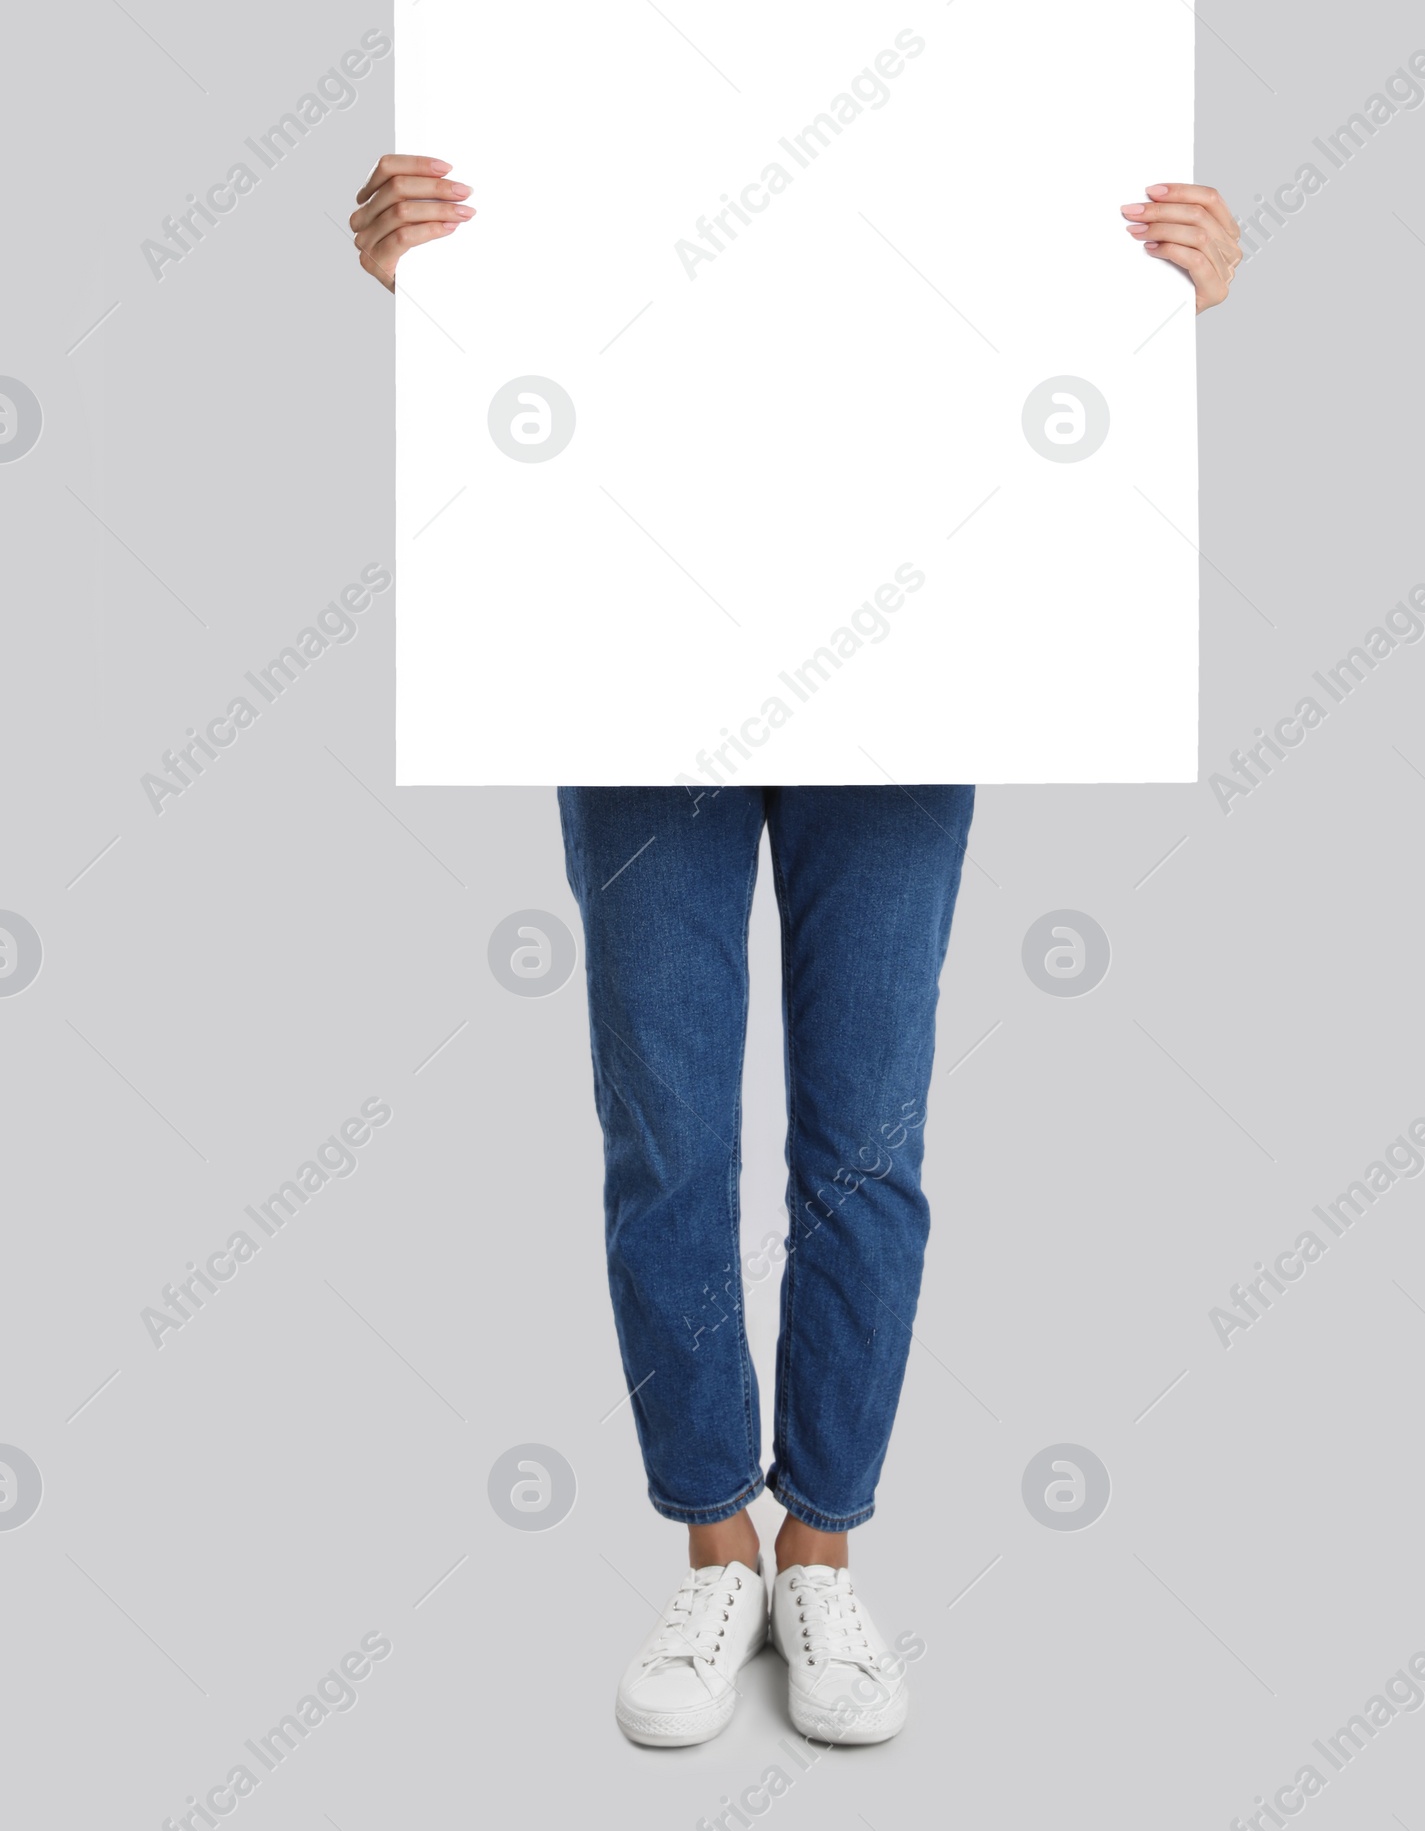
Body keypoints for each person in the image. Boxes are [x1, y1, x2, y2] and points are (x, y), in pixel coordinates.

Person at [350, 154, 1241, 1746]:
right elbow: (565, 246)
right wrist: (441, 281)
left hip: (909, 635)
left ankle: (823, 1546)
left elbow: (1019, 251)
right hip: (636, 631)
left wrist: (1161, 307)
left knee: (865, 1140)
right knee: (669, 1129)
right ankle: (716, 1541)